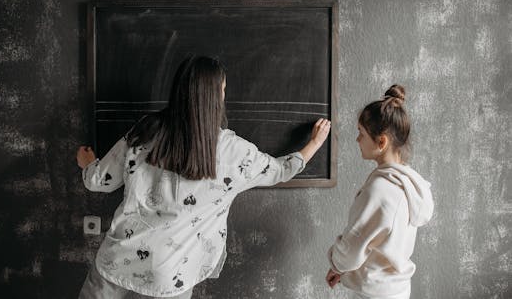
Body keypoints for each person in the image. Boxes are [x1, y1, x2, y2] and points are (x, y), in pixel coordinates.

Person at [76, 56, 331, 299]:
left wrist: (88, 164)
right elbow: (279, 171)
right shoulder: (233, 152)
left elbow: (99, 181)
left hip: (118, 260)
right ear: (216, 97)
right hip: (172, 273)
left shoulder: (145, 130)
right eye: (223, 89)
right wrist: (314, 144)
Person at [325, 85, 434, 299]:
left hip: (375, 293)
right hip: (398, 290)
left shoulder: (381, 190)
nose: (357, 140)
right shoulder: (409, 184)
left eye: (361, 133)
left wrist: (336, 264)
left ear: (381, 142)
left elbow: (354, 244)